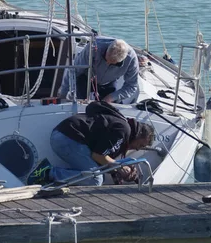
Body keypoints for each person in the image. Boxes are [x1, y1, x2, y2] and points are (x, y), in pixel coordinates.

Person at [26, 101, 155, 186]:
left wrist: (118, 171)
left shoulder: (123, 127)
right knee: (95, 179)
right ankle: (47, 173)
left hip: (66, 136)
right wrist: (119, 168)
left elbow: (102, 158)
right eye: (141, 145)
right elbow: (98, 156)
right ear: (139, 135)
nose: (138, 148)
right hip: (68, 139)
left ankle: (54, 178)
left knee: (99, 177)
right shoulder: (124, 131)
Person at [58, 37, 139, 103]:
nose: (107, 63)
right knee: (80, 106)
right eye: (105, 59)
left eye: (113, 63)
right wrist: (63, 92)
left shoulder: (131, 60)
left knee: (114, 111)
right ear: (107, 50)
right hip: (86, 78)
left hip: (109, 82)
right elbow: (74, 71)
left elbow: (131, 86)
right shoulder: (93, 47)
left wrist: (112, 97)